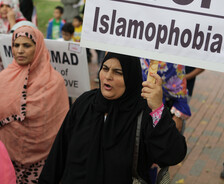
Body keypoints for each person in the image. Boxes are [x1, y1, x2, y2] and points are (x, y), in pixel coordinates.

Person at [38, 52, 187, 184]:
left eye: (118, 72)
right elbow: (60, 151)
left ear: (131, 77)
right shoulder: (86, 103)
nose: (108, 76)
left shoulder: (144, 113)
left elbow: (173, 155)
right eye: (105, 68)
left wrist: (158, 110)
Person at [0, 25, 69, 183]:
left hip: (42, 162)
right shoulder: (3, 78)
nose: (20, 51)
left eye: (27, 45)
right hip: (6, 160)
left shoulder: (54, 82)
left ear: (38, 48)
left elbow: (60, 124)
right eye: (16, 45)